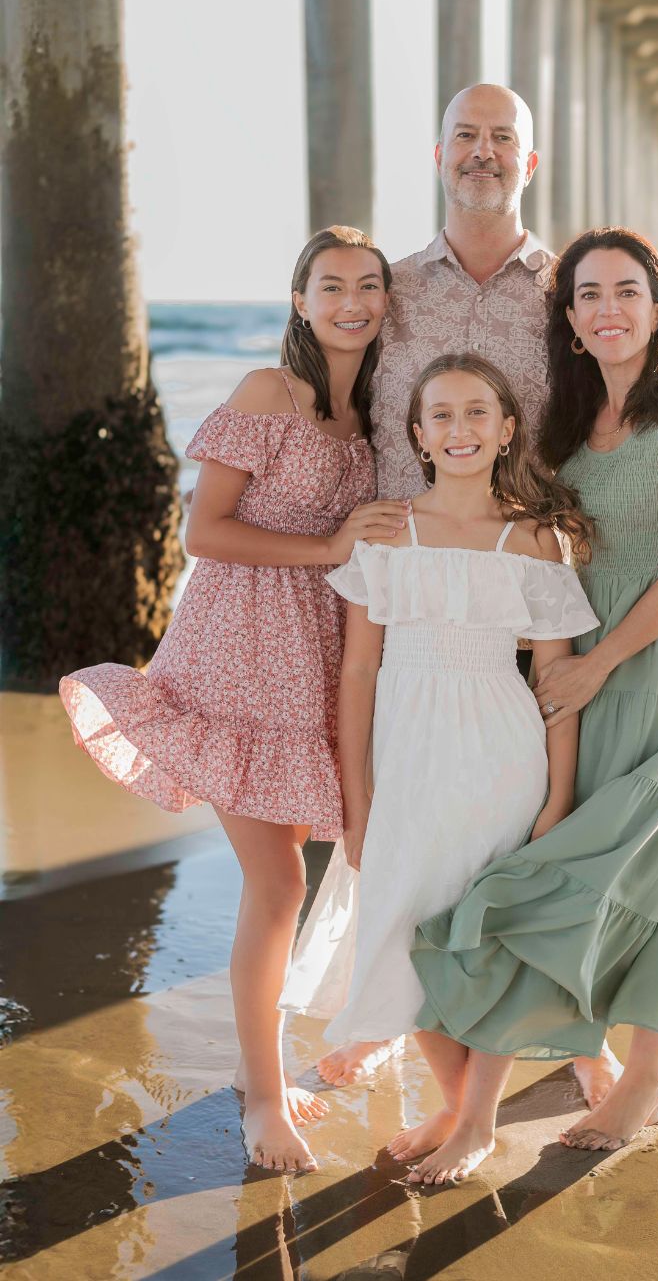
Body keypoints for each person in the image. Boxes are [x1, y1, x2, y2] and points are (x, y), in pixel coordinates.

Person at [316, 82, 658, 1104]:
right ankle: (415, 1014)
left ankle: (568, 1043)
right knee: (434, 825)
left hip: (540, 590)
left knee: (541, 826)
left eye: (503, 139)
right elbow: (331, 397)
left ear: (529, 162)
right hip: (411, 590)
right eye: (465, 135)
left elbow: (644, 430)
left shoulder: (571, 288)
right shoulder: (392, 289)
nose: (483, 153)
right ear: (438, 152)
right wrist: (314, 528)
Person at [60, 227, 412, 1174]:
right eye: (330, 285)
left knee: (317, 868)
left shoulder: (380, 416)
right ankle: (263, 1099)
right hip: (234, 650)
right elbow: (205, 532)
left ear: (387, 300)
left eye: (369, 285)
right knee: (281, 883)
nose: (351, 301)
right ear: (299, 300)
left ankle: (290, 1065)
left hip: (322, 659)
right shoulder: (269, 392)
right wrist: (330, 546)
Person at [404, 227, 658, 1185]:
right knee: (550, 878)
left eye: (626, 291)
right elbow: (523, 552)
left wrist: (603, 665)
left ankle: (642, 1074)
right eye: (587, 295)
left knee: (656, 883)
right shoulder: (558, 431)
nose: (607, 309)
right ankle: (513, 1100)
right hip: (564, 690)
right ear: (572, 320)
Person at [280, 354, 598, 1165]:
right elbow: (357, 672)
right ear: (417, 435)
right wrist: (357, 797)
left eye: (477, 413)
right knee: (402, 930)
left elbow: (556, 683)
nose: (461, 430)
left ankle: (474, 1122)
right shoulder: (387, 532)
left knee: (487, 938)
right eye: (443, 416)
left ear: (506, 429)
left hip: (502, 753)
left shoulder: (534, 539)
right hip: (407, 753)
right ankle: (459, 1111)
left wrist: (558, 798)